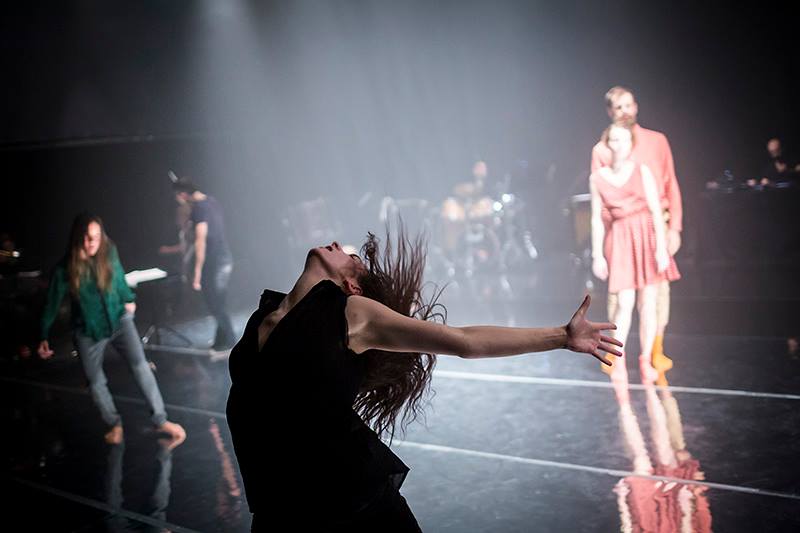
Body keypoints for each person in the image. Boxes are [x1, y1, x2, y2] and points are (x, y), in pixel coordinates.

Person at [226, 231, 623, 531]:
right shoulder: (260, 318)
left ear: (352, 286)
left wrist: (561, 336)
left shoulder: (352, 313)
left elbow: (465, 341)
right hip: (281, 511)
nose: (335, 244)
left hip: (351, 506)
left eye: (350, 256)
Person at [37, 213, 186, 445]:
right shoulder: (65, 268)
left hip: (118, 320)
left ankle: (160, 419)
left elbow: (118, 278)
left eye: (96, 237)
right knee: (95, 381)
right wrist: (43, 335)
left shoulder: (109, 251)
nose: (91, 242)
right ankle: (114, 424)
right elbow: (51, 303)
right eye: (86, 237)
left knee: (141, 367)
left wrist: (129, 299)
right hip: (88, 331)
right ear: (78, 238)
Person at [591, 86, 682, 373]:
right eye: (618, 107)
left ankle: (654, 351)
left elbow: (670, 185)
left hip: (652, 227)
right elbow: (600, 204)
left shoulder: (656, 141)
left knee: (655, 295)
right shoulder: (602, 149)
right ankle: (614, 353)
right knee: (621, 298)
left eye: (628, 105)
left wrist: (674, 228)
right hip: (619, 231)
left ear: (636, 106)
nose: (624, 111)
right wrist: (603, 248)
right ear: (610, 112)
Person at [172, 178, 236, 351]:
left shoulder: (199, 209)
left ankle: (230, 341)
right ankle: (221, 340)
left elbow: (201, 240)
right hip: (224, 258)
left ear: (182, 194)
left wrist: (197, 273)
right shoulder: (211, 201)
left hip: (215, 263)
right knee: (217, 303)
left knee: (216, 304)